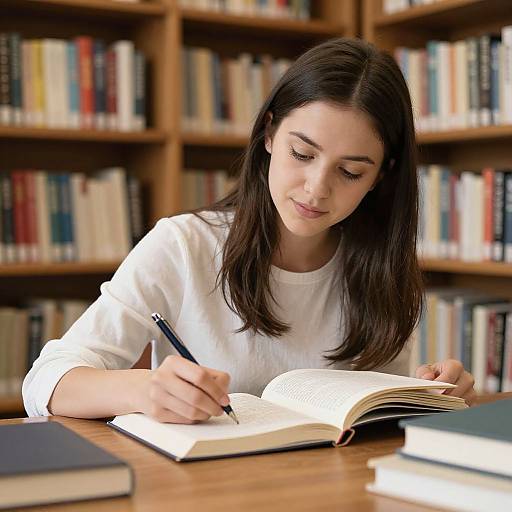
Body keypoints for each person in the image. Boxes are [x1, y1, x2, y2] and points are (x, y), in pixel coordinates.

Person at [22, 38, 476, 423]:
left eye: (351, 172)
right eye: (302, 154)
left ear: (381, 176)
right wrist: (143, 391)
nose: (316, 189)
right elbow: (45, 381)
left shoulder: (382, 267)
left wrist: (427, 392)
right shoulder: (183, 245)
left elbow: (375, 421)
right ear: (269, 136)